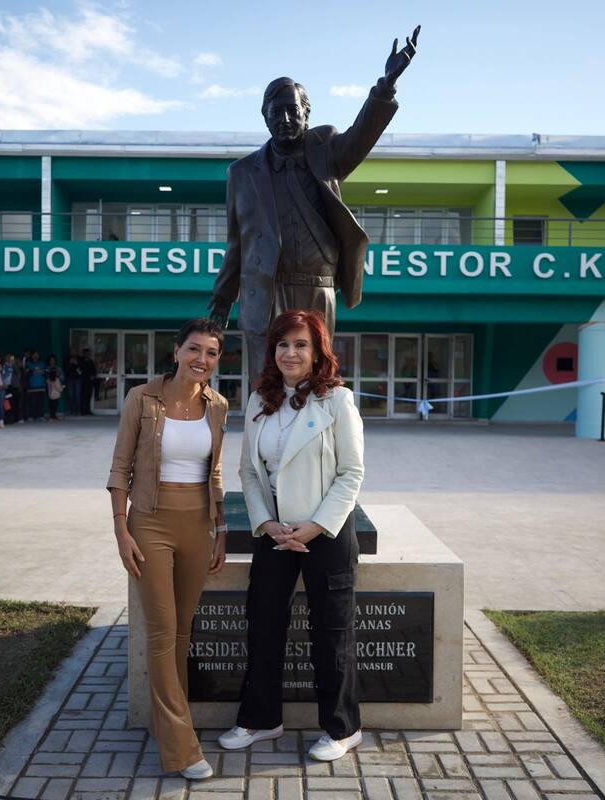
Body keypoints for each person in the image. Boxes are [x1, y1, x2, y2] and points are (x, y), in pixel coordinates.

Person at [208, 27, 420, 378]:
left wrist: (385, 87)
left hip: (319, 286)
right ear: (265, 117)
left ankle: (313, 433)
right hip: (266, 288)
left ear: (307, 114)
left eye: (293, 111)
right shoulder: (242, 173)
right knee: (268, 380)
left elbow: (361, 136)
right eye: (276, 113)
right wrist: (221, 298)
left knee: (315, 375)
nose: (285, 119)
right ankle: (266, 434)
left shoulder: (327, 152)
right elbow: (237, 241)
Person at [219, 309, 365, 762]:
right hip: (275, 534)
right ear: (273, 351)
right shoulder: (260, 400)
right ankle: (262, 719)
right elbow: (248, 470)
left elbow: (351, 472)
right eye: (283, 344)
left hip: (326, 532)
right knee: (264, 626)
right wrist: (266, 523)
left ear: (318, 349)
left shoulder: (337, 401)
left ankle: (342, 729)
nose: (291, 352)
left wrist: (315, 525)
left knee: (331, 631)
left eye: (301, 344)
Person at [107, 318, 229, 780]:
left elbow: (214, 473)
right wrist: (122, 530)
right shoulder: (142, 399)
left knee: (182, 631)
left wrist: (220, 530)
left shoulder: (218, 405)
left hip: (197, 523)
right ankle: (181, 748)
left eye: (212, 353)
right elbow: (120, 469)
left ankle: (165, 724)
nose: (202, 360)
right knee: (161, 632)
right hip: (150, 522)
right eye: (195, 349)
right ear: (176, 351)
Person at [27, 349, 46, 421]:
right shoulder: (29, 363)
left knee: (40, 402)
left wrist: (34, 371)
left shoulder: (41, 363)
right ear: (32, 355)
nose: (36, 356)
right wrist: (36, 371)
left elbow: (43, 372)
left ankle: (40, 416)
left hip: (41, 385)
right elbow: (29, 372)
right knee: (33, 402)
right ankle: (32, 416)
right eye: (34, 354)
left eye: (37, 354)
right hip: (32, 386)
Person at [79, 348, 97, 415]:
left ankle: (88, 410)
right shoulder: (81, 362)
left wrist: (93, 376)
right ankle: (82, 411)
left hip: (89, 382)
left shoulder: (91, 362)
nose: (88, 355)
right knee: (82, 396)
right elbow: (80, 370)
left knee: (88, 396)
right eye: (87, 353)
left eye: (89, 353)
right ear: (84, 354)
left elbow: (94, 371)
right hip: (83, 381)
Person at [5, 353, 22, 425]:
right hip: (6, 386)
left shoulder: (15, 366)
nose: (11, 360)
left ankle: (15, 418)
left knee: (15, 402)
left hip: (14, 387)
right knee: (8, 403)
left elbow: (18, 373)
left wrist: (14, 365)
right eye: (10, 358)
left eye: (13, 359)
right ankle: (8, 418)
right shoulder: (4, 366)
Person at [46, 354, 63, 421]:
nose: (52, 361)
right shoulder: (56, 379)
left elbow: (62, 377)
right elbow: (59, 388)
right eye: (51, 360)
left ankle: (52, 416)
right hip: (55, 393)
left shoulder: (48, 380)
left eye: (53, 360)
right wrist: (61, 389)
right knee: (54, 404)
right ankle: (53, 416)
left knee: (52, 404)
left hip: (51, 393)